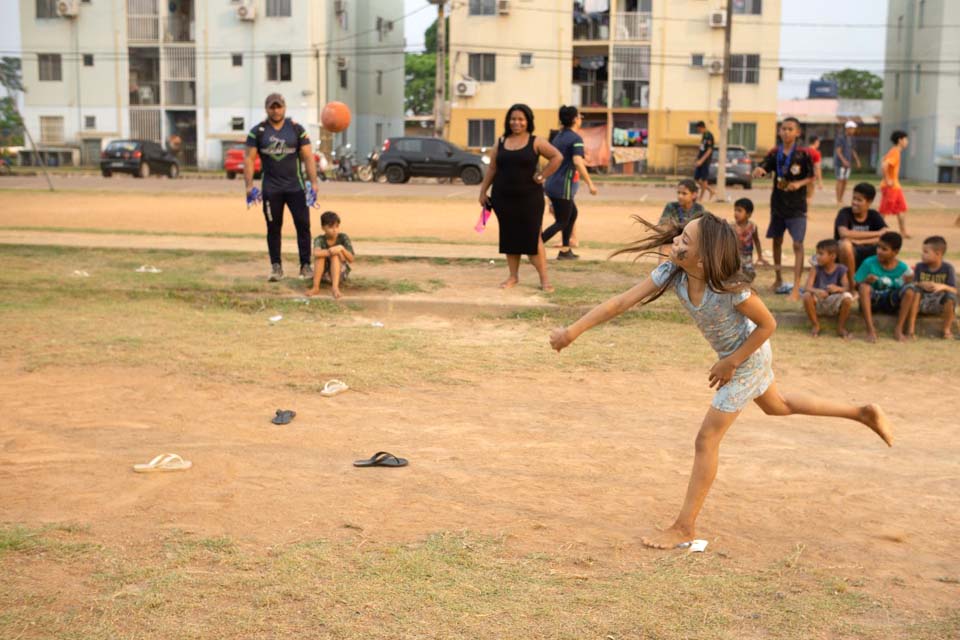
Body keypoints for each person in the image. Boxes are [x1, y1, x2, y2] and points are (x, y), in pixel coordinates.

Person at [549, 213, 893, 550]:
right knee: (779, 406)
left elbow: (768, 324)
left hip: (747, 357)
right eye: (679, 235)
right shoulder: (673, 270)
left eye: (685, 240)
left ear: (704, 257)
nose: (675, 242)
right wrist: (572, 332)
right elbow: (621, 302)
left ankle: (684, 526)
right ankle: (861, 413)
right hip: (739, 358)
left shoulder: (730, 289)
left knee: (706, 438)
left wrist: (732, 361)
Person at [478, 104, 562, 292]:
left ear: (528, 121)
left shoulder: (536, 141)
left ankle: (544, 280)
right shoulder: (501, 142)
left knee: (534, 238)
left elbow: (557, 157)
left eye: (521, 119)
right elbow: (492, 168)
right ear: (508, 121)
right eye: (513, 119)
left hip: (529, 199)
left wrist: (543, 175)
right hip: (503, 198)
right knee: (509, 237)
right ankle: (513, 276)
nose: (516, 122)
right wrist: (483, 191)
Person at [245, 93, 321, 282]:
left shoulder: (296, 129)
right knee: (273, 228)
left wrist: (314, 183)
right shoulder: (258, 132)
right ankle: (276, 267)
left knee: (303, 226)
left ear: (284, 107)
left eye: (279, 106)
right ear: (266, 109)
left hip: (296, 188)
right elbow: (249, 159)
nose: (276, 110)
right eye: (272, 107)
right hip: (271, 190)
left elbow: (308, 157)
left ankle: (305, 265)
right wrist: (248, 186)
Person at [752, 117, 814, 302]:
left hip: (797, 207)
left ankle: (796, 286)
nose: (786, 132)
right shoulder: (774, 152)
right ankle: (778, 279)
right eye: (783, 129)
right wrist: (760, 170)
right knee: (777, 241)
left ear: (798, 132)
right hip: (778, 204)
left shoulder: (803, 154)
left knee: (797, 244)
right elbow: (765, 166)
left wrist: (798, 183)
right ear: (779, 132)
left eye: (790, 129)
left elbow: (811, 176)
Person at [542, 106, 598, 261]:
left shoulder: (559, 136)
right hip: (562, 185)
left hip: (552, 183)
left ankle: (565, 250)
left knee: (572, 214)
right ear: (574, 119)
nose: (581, 119)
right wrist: (590, 184)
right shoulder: (575, 138)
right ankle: (534, 245)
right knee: (562, 221)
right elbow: (577, 162)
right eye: (579, 116)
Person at [855, 231, 912, 343]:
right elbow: (855, 284)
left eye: (884, 249)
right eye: (878, 247)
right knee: (864, 287)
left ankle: (898, 329)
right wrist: (865, 280)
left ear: (895, 252)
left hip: (892, 302)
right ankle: (871, 330)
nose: (879, 251)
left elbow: (907, 287)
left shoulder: (902, 268)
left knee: (910, 290)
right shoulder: (869, 262)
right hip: (873, 301)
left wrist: (909, 281)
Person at [897, 236, 957, 340]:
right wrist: (921, 284)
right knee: (916, 291)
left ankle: (946, 330)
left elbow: (954, 290)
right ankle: (910, 330)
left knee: (950, 297)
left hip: (939, 304)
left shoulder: (948, 268)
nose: (922, 255)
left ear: (938, 254)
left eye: (926, 252)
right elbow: (913, 283)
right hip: (921, 303)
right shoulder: (920, 266)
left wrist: (942, 286)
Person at [834, 183, 887, 291]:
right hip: (846, 257)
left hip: (867, 256)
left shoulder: (874, 215)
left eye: (859, 200)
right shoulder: (845, 213)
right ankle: (850, 286)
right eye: (854, 198)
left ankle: (884, 282)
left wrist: (858, 242)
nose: (854, 202)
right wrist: (877, 233)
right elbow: (844, 233)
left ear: (869, 202)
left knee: (888, 246)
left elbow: (885, 235)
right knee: (845, 245)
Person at [802, 239, 854, 338]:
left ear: (833, 256)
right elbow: (807, 287)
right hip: (819, 301)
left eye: (821, 254)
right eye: (817, 254)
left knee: (847, 298)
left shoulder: (841, 269)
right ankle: (816, 325)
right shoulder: (815, 269)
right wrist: (816, 291)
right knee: (806, 296)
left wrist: (837, 288)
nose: (817, 257)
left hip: (834, 301)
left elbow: (847, 287)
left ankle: (841, 327)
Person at [306, 211, 354, 300]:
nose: (335, 230)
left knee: (335, 257)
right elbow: (316, 253)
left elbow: (351, 259)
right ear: (323, 228)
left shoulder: (343, 237)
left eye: (337, 226)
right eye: (331, 227)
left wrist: (341, 248)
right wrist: (333, 251)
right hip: (324, 273)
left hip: (340, 273)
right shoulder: (320, 239)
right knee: (320, 257)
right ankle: (315, 287)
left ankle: (335, 288)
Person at [880, 130, 911, 239]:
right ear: (900, 140)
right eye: (905, 139)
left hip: (896, 187)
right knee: (884, 211)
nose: (907, 141)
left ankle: (903, 232)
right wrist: (887, 179)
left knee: (901, 209)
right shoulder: (895, 152)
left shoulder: (896, 151)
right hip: (890, 187)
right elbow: (884, 165)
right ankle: (876, 231)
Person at [732, 197, 766, 281]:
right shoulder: (731, 227)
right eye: (735, 210)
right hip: (734, 258)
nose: (736, 213)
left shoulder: (752, 227)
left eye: (739, 211)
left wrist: (760, 256)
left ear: (749, 214)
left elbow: (757, 241)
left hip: (747, 258)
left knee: (749, 276)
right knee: (734, 277)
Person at [834, 121, 861, 205]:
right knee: (840, 180)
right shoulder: (841, 138)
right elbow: (838, 151)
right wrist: (844, 161)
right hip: (840, 164)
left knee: (845, 181)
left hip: (848, 163)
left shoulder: (852, 139)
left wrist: (857, 160)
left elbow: (853, 150)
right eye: (852, 129)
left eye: (854, 129)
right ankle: (838, 199)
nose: (853, 131)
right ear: (847, 129)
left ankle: (841, 198)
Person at [693, 121, 715, 202]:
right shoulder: (704, 136)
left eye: (698, 129)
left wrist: (701, 161)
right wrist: (697, 159)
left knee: (704, 180)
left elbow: (709, 150)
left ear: (701, 127)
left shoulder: (709, 135)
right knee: (696, 178)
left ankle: (701, 198)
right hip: (700, 160)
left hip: (705, 161)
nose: (698, 131)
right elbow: (702, 148)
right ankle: (711, 191)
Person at [805, 135, 824, 207]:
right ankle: (805, 213)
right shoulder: (816, 153)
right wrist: (820, 181)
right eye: (818, 141)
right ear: (815, 142)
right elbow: (817, 167)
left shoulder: (804, 150)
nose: (819, 143)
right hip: (810, 177)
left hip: (801, 177)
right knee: (809, 196)